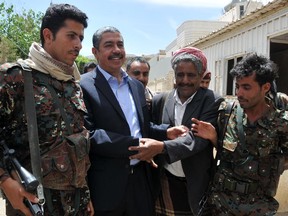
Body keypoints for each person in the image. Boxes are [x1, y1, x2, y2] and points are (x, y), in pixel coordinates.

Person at [80, 26, 187, 216]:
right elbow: (90, 135)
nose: (117, 50)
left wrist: (165, 132)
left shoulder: (136, 86)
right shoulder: (83, 85)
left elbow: (140, 126)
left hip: (140, 181)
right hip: (107, 187)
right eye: (109, 45)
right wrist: (138, 145)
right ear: (95, 52)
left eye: (120, 44)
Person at [0, 4, 94, 216]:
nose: (78, 44)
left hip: (76, 203)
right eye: (71, 36)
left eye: (81, 38)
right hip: (33, 205)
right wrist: (5, 182)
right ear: (48, 35)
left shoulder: (72, 84)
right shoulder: (15, 78)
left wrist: (86, 193)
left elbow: (76, 144)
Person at [192, 53, 288, 215]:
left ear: (265, 87)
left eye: (246, 87)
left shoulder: (281, 123)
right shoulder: (226, 113)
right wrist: (214, 137)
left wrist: (268, 166)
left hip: (258, 208)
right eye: (237, 86)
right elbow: (223, 152)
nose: (239, 93)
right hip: (219, 205)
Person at [138, 47, 223, 216]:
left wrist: (161, 147)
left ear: (201, 76)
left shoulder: (211, 100)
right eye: (180, 75)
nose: (185, 80)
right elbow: (151, 130)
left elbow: (197, 140)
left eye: (191, 75)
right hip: (164, 182)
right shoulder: (160, 100)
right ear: (174, 75)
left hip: (196, 184)